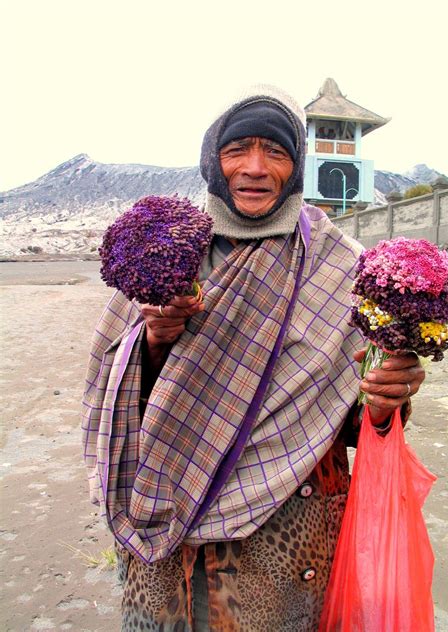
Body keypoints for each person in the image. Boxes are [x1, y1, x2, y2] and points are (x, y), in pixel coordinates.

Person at [82, 85, 425, 632]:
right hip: (168, 505)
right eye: (238, 150)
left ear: (298, 165)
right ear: (212, 160)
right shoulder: (166, 252)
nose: (256, 168)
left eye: (277, 152)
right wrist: (154, 342)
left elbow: (355, 415)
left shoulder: (340, 267)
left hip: (287, 521)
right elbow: (111, 388)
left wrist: (386, 400)